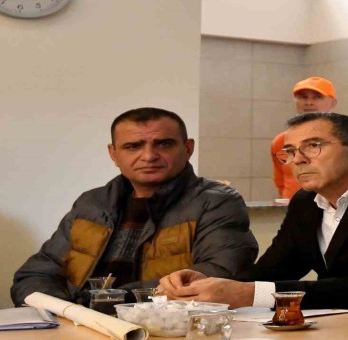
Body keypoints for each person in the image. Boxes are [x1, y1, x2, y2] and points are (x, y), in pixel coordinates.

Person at [159, 112, 348, 311]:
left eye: (313, 146)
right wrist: (210, 284)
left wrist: (248, 293)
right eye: (289, 151)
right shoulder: (305, 201)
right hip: (342, 332)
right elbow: (273, 268)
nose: (298, 159)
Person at [11, 107, 258, 306]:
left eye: (164, 144)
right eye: (133, 146)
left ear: (188, 148)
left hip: (162, 330)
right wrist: (63, 310)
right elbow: (35, 274)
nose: (149, 156)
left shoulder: (216, 202)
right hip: (77, 325)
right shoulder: (91, 203)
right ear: (113, 154)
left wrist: (103, 302)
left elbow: (220, 274)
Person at [271, 76, 338, 199]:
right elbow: (280, 182)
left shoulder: (342, 139)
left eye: (317, 97)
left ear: (333, 103)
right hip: (292, 207)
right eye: (303, 97)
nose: (309, 102)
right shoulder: (281, 141)